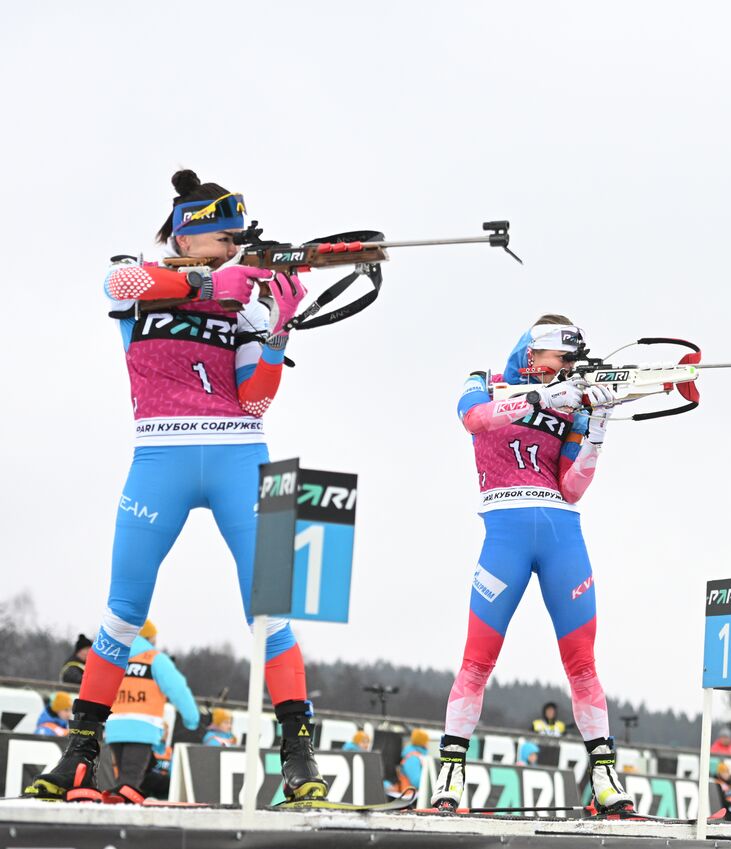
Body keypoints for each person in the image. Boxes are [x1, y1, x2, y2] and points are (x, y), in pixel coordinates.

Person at [24, 170, 323, 804]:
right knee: (122, 611)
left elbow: (256, 398)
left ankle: (299, 760)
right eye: (225, 235)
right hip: (159, 455)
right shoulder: (140, 275)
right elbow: (118, 284)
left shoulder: (244, 296)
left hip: (243, 453)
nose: (237, 245)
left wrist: (274, 328)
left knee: (273, 612)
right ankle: (80, 755)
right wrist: (215, 282)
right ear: (190, 236)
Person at [431, 317, 633, 815]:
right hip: (506, 534)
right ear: (530, 354)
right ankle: (450, 773)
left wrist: (597, 426)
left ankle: (605, 777)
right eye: (559, 360)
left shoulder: (572, 400)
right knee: (477, 660)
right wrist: (542, 400)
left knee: (583, 664)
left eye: (570, 363)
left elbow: (573, 486)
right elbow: (474, 419)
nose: (566, 370)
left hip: (563, 533)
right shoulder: (485, 382)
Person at [101, 621, 201, 802]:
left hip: (115, 728)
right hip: (142, 730)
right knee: (130, 781)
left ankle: (123, 808)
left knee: (128, 776)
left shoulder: (116, 659)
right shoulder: (155, 659)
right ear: (150, 638)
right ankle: (122, 818)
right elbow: (178, 690)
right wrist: (191, 719)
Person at [395, 729, 431, 796]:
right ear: (423, 742)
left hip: (415, 796)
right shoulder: (412, 758)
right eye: (427, 741)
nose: (428, 743)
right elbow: (416, 782)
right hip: (410, 798)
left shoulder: (418, 755)